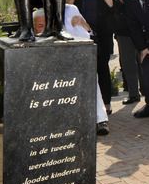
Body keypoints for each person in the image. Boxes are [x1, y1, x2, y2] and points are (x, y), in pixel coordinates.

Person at [33, 7, 109, 135]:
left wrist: (82, 24)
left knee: (91, 80)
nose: (45, 29)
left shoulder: (68, 17)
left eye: (47, 25)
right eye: (40, 26)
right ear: (33, 27)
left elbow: (87, 36)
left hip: (72, 66)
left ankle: (101, 120)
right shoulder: (31, 42)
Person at [67, 0, 117, 114]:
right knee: (83, 71)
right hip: (81, 36)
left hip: (102, 36)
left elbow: (114, 7)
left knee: (102, 69)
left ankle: (106, 104)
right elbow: (66, 7)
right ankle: (84, 104)